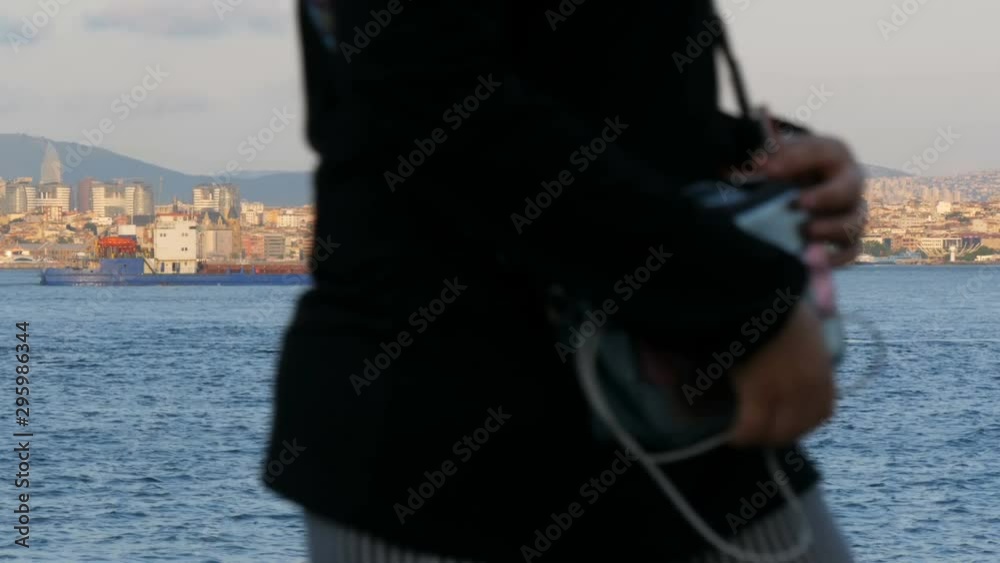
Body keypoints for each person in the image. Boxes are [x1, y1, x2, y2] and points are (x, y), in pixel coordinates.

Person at [264, 1, 866, 561]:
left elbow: (592, 86)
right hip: (452, 446)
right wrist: (746, 306)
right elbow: (424, 91)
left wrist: (767, 157)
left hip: (679, 410)